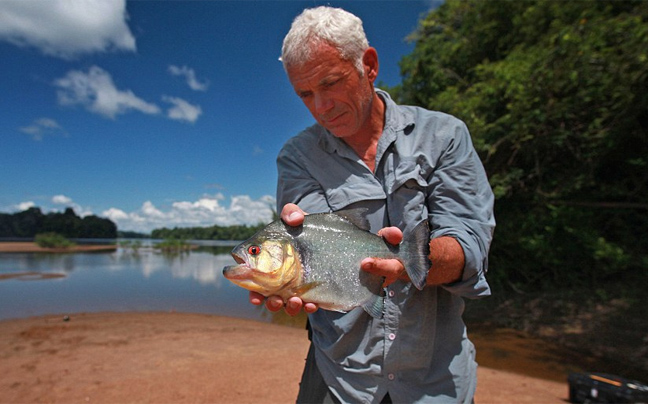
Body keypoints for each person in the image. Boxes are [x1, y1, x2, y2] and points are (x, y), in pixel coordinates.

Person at [249, 6, 495, 403]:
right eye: (305, 94)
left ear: (369, 65)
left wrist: (411, 263)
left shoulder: (445, 136)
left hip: (434, 381)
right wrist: (287, 273)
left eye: (330, 83)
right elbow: (315, 247)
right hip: (339, 377)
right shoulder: (297, 157)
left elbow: (469, 244)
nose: (320, 107)